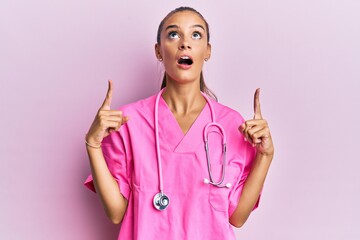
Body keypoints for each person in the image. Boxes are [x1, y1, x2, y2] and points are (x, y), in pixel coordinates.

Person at [83, 6, 274, 240]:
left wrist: (265, 156)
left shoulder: (232, 125)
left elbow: (237, 216)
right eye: (173, 34)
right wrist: (92, 144)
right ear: (158, 51)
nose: (185, 43)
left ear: (207, 51)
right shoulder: (127, 122)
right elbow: (116, 213)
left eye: (196, 34)